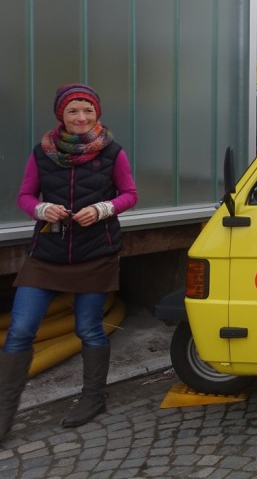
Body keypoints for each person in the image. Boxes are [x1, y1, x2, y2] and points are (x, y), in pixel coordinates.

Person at [1, 84, 138, 440]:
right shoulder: (42, 153)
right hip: (46, 254)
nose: (81, 117)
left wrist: (102, 208)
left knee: (89, 329)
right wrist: (42, 209)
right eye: (73, 111)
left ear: (97, 114)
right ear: (61, 115)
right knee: (19, 332)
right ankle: (3, 413)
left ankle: (93, 398)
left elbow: (130, 195)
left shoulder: (112, 152)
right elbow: (25, 196)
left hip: (96, 254)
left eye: (87, 111)